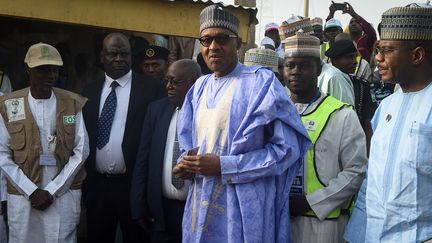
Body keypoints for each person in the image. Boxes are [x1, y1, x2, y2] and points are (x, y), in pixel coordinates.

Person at [173, 4, 311, 242]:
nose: (213, 46)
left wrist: (225, 166)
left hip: (245, 211)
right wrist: (184, 165)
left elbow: (286, 150)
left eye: (222, 39)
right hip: (200, 207)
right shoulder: (199, 88)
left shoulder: (262, 83)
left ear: (238, 44)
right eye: (206, 40)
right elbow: (188, 145)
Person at [344, 4, 432, 242]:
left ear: (417, 55)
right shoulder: (386, 107)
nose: (378, 58)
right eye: (378, 50)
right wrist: (354, 235)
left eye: (387, 50)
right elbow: (372, 178)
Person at [0, 42, 89, 242]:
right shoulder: (9, 105)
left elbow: (81, 150)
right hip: (24, 198)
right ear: (28, 69)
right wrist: (32, 192)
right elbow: (2, 154)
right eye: (42, 69)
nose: (50, 75)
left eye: (54, 70)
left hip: (62, 195)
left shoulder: (72, 103)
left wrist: (51, 190)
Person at [284, 32, 367, 243]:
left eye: (304, 66)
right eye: (290, 65)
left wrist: (312, 202)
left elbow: (356, 171)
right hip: (280, 217)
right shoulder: (275, 111)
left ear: (319, 69)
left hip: (322, 225)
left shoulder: (342, 114)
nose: (296, 72)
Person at [82, 33, 165, 243]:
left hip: (133, 187)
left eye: (124, 54)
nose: (118, 59)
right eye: (112, 54)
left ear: (131, 56)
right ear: (102, 56)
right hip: (97, 186)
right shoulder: (89, 91)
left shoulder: (152, 89)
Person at [131, 59, 202, 243]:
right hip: (161, 212)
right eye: (167, 81)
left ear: (195, 82)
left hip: (195, 210)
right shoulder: (157, 110)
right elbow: (143, 160)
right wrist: (139, 205)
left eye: (176, 82)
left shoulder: (207, 114)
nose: (169, 87)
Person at [326, 38, 376, 152]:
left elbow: (368, 125)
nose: (355, 61)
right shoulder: (327, 82)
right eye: (348, 57)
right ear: (334, 60)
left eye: (355, 56)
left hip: (355, 145)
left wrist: (368, 155)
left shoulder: (362, 87)